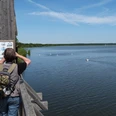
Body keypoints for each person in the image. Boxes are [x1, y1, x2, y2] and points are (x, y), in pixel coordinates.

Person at [0, 48, 31, 116]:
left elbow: (1, 62)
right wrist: (18, 55)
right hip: (14, 96)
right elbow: (28, 61)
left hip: (2, 95)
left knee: (2, 113)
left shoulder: (0, 67)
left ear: (4, 56)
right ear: (14, 56)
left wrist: (4, 57)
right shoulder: (18, 67)